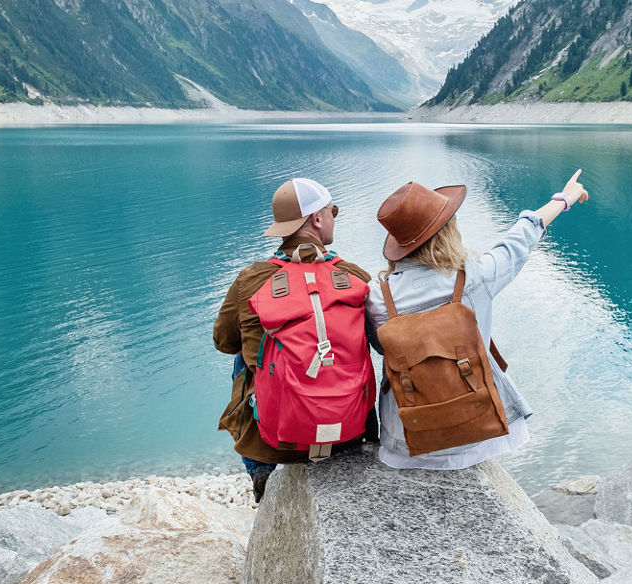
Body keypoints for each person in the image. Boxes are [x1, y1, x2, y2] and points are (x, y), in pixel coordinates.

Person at [366, 171, 589, 470]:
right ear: (447, 232)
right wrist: (563, 199)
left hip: (405, 442)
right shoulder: (475, 276)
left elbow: (383, 349)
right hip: (479, 434)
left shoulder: (379, 299)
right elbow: (520, 239)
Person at [213, 177, 375, 500]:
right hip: (349, 433)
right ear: (316, 219)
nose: (333, 218)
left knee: (247, 354)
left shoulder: (250, 280)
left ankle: (261, 473)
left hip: (278, 444)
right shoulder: (355, 277)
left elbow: (223, 340)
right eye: (332, 212)